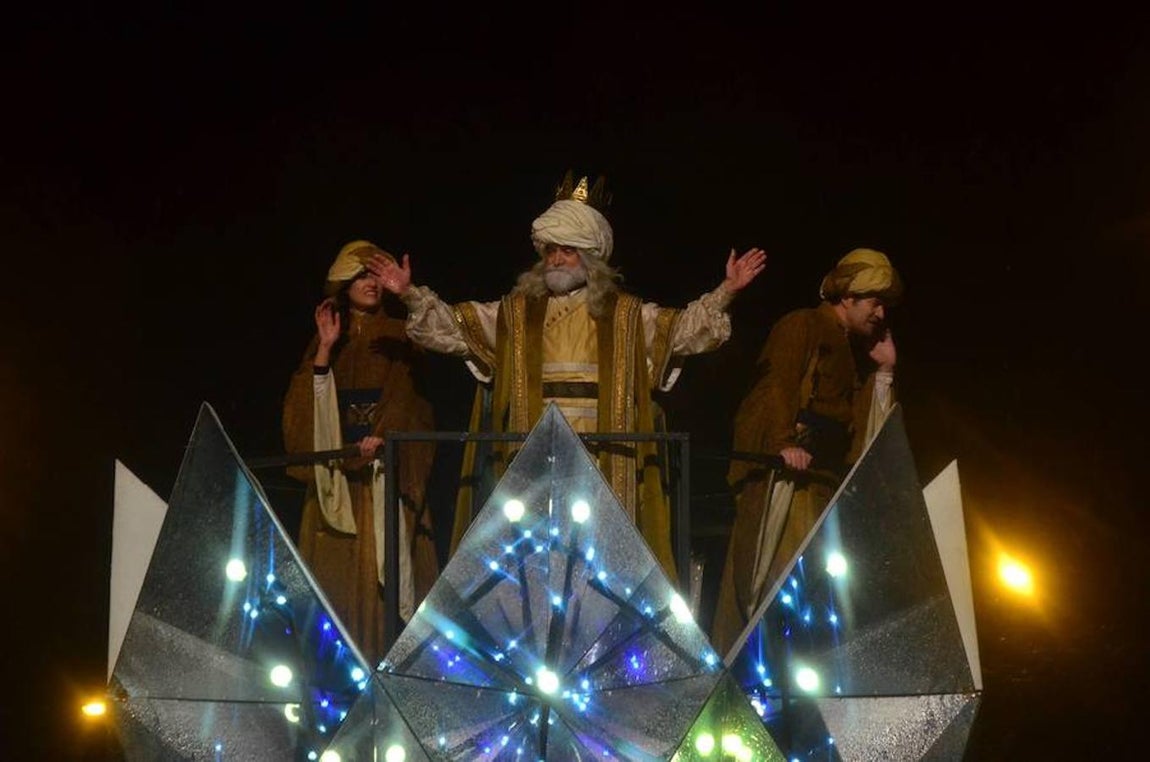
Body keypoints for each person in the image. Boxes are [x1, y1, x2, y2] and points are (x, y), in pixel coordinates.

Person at [368, 173, 767, 582]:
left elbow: (683, 331)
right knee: (537, 566)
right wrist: (409, 293)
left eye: (568, 250)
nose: (556, 259)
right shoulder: (516, 314)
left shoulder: (626, 316)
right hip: (535, 456)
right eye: (551, 250)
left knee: (598, 569)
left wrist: (727, 291)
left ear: (591, 256)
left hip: (605, 459)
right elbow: (454, 328)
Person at [710, 247, 903, 655]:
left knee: (816, 594)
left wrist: (885, 370)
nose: (880, 314)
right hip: (788, 482)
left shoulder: (853, 350)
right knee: (779, 587)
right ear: (847, 296)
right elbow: (777, 385)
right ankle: (757, 670)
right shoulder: (803, 324)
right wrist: (782, 442)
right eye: (874, 302)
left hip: (821, 486)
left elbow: (859, 430)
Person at [282, 240, 439, 666]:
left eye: (374, 276)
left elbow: (410, 399)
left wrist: (383, 438)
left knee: (385, 573)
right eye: (360, 277)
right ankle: (336, 675)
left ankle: (391, 665)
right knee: (336, 583)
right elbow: (303, 405)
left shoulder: (401, 334)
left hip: (384, 475)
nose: (370, 283)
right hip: (339, 480)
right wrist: (325, 349)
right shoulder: (329, 339)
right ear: (343, 286)